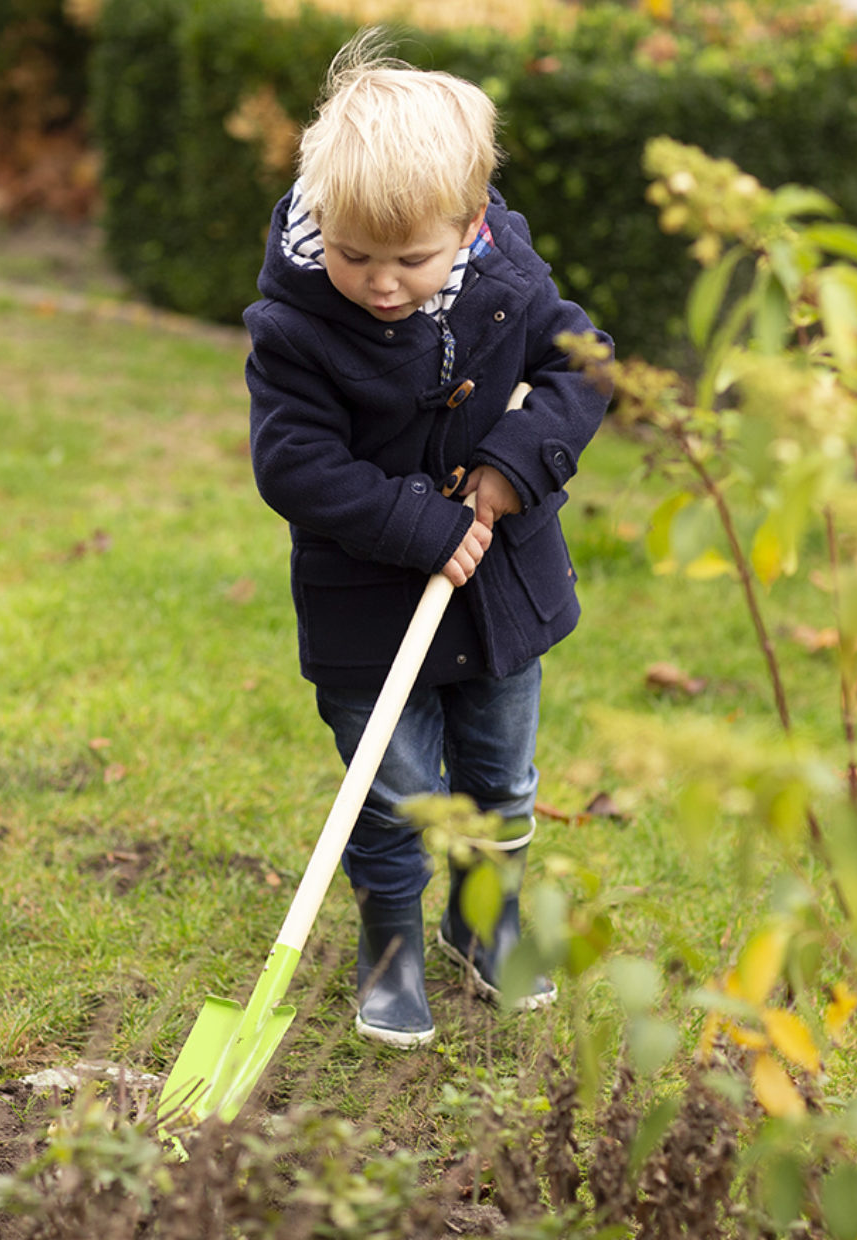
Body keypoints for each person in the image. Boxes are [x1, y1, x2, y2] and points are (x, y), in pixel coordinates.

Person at [245, 29, 613, 1048]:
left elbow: (585, 366)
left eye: (411, 259)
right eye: (354, 254)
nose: (381, 283)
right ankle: (391, 949)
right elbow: (294, 464)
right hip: (368, 606)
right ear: (323, 219)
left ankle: (485, 924)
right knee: (393, 792)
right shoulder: (296, 328)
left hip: (500, 597)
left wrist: (514, 464)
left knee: (501, 779)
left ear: (469, 221)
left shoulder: (508, 282)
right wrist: (422, 522)